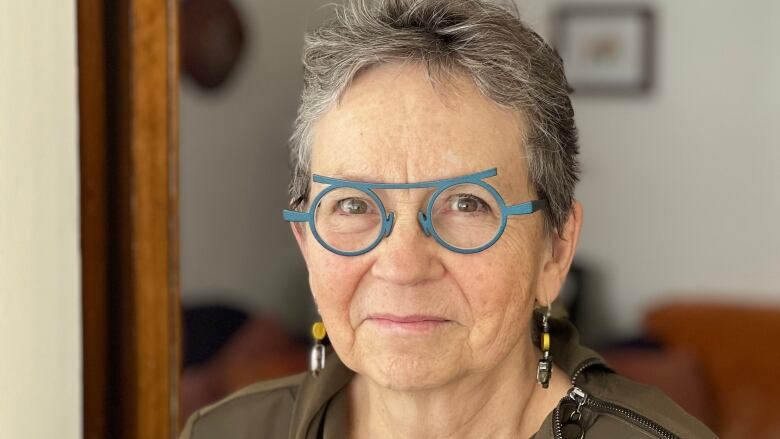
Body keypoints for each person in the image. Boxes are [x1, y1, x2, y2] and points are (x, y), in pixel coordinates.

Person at [180, 0, 716, 437]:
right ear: (306, 243)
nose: (403, 265)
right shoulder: (221, 432)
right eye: (353, 204)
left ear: (556, 248)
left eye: (466, 204)